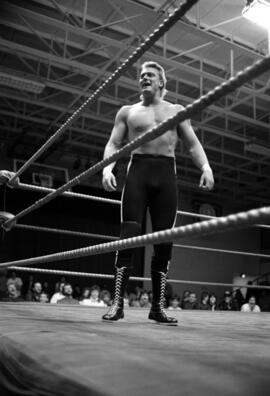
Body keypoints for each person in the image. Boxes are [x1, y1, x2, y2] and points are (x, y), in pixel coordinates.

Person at [102, 61, 214, 324]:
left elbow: (192, 143)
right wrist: (108, 169)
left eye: (150, 75)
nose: (144, 78)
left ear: (162, 82)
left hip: (166, 176)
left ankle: (158, 307)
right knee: (127, 238)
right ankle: (117, 304)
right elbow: (114, 143)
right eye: (141, 75)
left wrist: (206, 166)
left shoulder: (176, 111)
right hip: (137, 174)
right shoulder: (128, 112)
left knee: (164, 241)